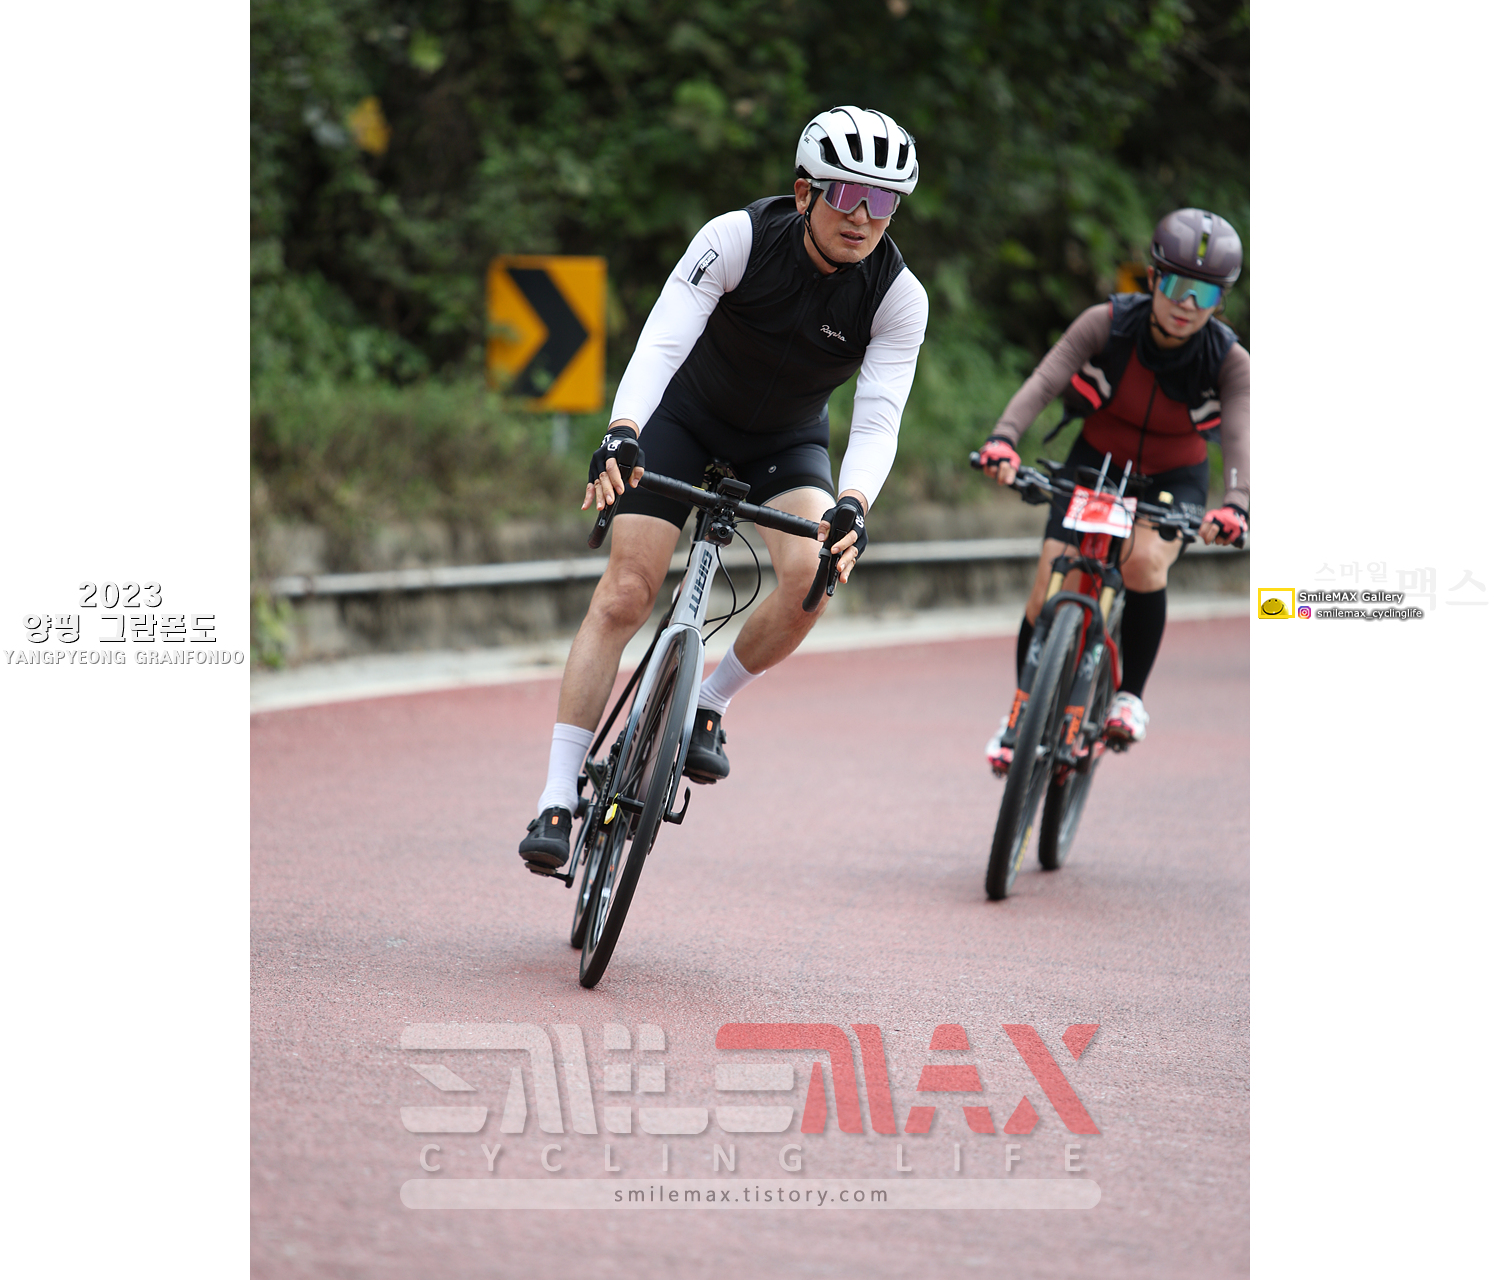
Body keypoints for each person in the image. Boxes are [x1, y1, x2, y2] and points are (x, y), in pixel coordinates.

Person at [520, 106, 929, 866]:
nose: (864, 218)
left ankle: (708, 705)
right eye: (848, 195)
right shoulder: (736, 238)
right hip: (685, 420)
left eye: (884, 202)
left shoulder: (897, 296)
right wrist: (623, 428)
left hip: (785, 444)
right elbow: (663, 339)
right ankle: (554, 795)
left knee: (813, 576)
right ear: (805, 193)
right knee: (626, 592)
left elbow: (879, 418)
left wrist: (853, 505)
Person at [975, 207, 1248, 772]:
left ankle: (1129, 697)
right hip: (1094, 464)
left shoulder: (1229, 361)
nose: (1185, 304)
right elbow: (1045, 380)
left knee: (1144, 563)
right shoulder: (1106, 322)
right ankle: (1022, 714)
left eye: (1203, 293)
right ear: (1152, 278)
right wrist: (1003, 440)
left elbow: (1243, 436)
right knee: (1047, 583)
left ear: (1220, 302)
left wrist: (1236, 506)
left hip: (1173, 479)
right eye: (1174, 285)